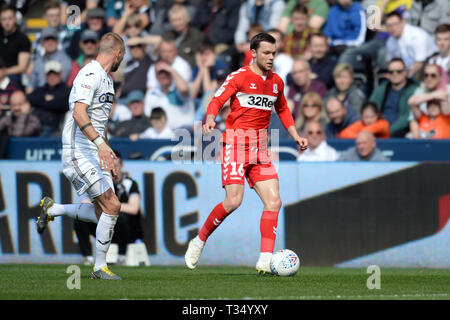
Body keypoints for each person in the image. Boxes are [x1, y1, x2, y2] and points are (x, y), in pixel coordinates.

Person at [184, 33, 308, 274]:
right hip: (235, 144)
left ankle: (264, 260)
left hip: (260, 147)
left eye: (274, 53)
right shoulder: (239, 77)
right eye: (266, 53)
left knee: (274, 201)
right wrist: (210, 117)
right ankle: (198, 241)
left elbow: (282, 108)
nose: (271, 57)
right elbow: (217, 99)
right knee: (233, 201)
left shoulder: (276, 82)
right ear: (253, 53)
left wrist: (295, 135)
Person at [35, 32, 126, 280]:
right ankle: (99, 268)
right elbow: (79, 114)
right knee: (113, 206)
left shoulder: (107, 80)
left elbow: (100, 122)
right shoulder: (90, 73)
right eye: (123, 55)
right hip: (78, 151)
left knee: (103, 213)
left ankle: (53, 209)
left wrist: (109, 153)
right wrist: (99, 145)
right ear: (117, 53)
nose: (122, 60)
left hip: (96, 151)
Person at [74, 149, 145, 265]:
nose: (113, 170)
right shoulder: (100, 184)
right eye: (110, 166)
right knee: (80, 217)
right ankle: (87, 257)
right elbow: (85, 202)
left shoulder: (130, 184)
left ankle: (122, 255)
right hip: (104, 227)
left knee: (120, 217)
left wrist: (110, 207)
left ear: (122, 166)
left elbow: (134, 208)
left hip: (126, 231)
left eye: (116, 166)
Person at [369, 58, 418, 137]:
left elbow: (407, 117)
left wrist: (388, 131)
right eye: (391, 72)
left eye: (399, 71)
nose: (395, 74)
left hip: (400, 131)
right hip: (379, 128)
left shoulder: (413, 90)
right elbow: (370, 109)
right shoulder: (381, 89)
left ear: (405, 72)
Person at [144, 59, 195, 131]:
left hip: (183, 132)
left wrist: (171, 70)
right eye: (160, 73)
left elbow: (184, 89)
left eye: (166, 72)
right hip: (162, 134)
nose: (163, 75)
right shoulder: (152, 94)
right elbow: (148, 115)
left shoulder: (180, 88)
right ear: (155, 76)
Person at [385, 11, 437, 79]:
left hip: (428, 64)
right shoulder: (390, 41)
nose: (392, 28)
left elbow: (419, 63)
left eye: (395, 24)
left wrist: (406, 80)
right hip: (408, 69)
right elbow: (392, 63)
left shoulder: (416, 35)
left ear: (403, 22)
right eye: (389, 25)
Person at [27, 60, 71, 137]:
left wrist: (41, 101)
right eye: (49, 74)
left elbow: (63, 104)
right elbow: (30, 98)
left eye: (55, 74)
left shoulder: (66, 90)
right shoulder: (41, 89)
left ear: (61, 74)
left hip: (52, 127)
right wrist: (47, 99)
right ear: (45, 75)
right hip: (33, 124)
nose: (52, 77)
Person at [26, 27, 73, 93]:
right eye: (47, 40)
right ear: (42, 43)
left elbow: (60, 82)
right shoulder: (38, 60)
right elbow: (31, 83)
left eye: (53, 39)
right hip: (39, 95)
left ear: (57, 41)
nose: (50, 42)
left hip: (57, 95)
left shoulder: (65, 59)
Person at [162, 3, 205, 69]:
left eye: (179, 19)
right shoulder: (167, 36)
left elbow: (198, 60)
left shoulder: (197, 36)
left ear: (187, 19)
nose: (176, 24)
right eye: (173, 20)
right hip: (168, 71)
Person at [0, 5, 31, 85]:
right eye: (3, 19)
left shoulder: (23, 39)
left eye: (9, 18)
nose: (6, 22)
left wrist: (3, 72)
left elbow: (22, 67)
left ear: (15, 18)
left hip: (12, 77)